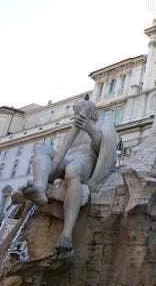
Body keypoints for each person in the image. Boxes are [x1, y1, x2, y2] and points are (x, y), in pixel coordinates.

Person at [20, 96, 116, 251]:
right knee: (41, 148)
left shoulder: (103, 126)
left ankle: (67, 234)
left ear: (94, 114)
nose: (77, 114)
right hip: (69, 160)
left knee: (72, 171)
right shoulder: (73, 131)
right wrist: (52, 168)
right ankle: (39, 186)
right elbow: (61, 154)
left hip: (86, 161)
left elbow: (104, 150)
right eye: (76, 111)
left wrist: (90, 129)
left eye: (81, 110)